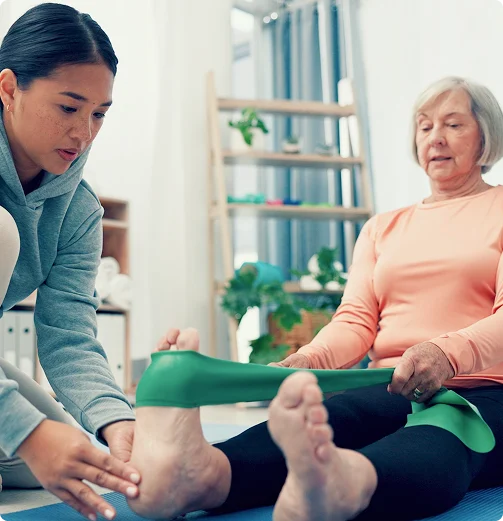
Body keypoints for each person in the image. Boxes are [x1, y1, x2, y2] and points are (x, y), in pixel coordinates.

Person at [127, 76, 503, 521]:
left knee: (445, 428)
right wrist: (308, 360)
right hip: (389, 383)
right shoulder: (383, 227)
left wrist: (445, 352)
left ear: (486, 136)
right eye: (424, 127)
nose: (435, 138)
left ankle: (342, 485)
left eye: (454, 125)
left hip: (483, 389)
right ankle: (199, 474)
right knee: (333, 416)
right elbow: (356, 320)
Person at [0, 4, 142, 520]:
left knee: (76, 458)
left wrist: (115, 421)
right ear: (9, 89)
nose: (84, 132)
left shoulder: (79, 211)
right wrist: (26, 433)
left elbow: (68, 336)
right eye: (68, 107)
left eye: (99, 113)